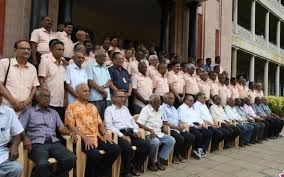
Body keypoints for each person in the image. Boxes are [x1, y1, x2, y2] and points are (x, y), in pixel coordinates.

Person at [65, 83, 120, 177]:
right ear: (77, 93)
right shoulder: (71, 107)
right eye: (84, 91)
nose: (88, 93)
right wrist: (84, 138)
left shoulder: (92, 107)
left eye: (88, 91)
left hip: (97, 136)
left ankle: (100, 172)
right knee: (94, 154)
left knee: (115, 149)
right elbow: (71, 126)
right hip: (82, 138)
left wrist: (105, 133)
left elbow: (100, 123)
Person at [19, 89, 77, 177]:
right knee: (43, 164)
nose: (47, 99)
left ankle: (54, 174)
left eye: (48, 97)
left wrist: (71, 133)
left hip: (54, 143)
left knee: (71, 158)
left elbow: (61, 128)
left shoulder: (54, 112)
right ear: (37, 98)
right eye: (44, 96)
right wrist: (25, 138)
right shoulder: (29, 111)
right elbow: (19, 128)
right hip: (37, 144)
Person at [104, 90, 150, 177]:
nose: (123, 98)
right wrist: (123, 136)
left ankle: (134, 166)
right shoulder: (109, 110)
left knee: (146, 145)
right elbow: (109, 126)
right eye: (120, 97)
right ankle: (125, 172)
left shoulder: (125, 109)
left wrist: (136, 131)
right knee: (127, 147)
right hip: (118, 134)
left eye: (124, 97)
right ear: (114, 98)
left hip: (130, 132)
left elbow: (133, 122)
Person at [136, 94, 175, 172]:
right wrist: (150, 130)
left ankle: (159, 160)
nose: (159, 103)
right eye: (157, 101)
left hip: (158, 132)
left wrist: (164, 125)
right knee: (155, 142)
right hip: (148, 133)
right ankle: (152, 162)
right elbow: (139, 123)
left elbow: (163, 120)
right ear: (151, 102)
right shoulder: (146, 109)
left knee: (171, 140)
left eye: (160, 101)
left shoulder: (161, 109)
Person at [0, 40, 39, 114]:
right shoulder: (5, 63)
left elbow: (34, 87)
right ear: (15, 50)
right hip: (7, 108)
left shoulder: (32, 68)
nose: (26, 51)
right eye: (23, 48)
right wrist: (14, 102)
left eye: (28, 49)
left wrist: (28, 101)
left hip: (25, 110)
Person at [162, 92, 195, 163]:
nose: (173, 100)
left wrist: (180, 125)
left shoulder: (173, 108)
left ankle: (181, 154)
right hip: (170, 128)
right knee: (180, 138)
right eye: (171, 98)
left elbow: (178, 119)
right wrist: (176, 127)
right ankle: (175, 156)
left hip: (177, 127)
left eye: (173, 98)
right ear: (165, 99)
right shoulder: (163, 108)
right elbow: (165, 122)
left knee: (191, 137)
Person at [38, 39, 66, 120]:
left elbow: (62, 84)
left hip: (60, 101)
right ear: (52, 50)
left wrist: (64, 98)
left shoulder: (62, 65)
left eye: (62, 50)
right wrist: (44, 97)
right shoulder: (46, 62)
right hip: (49, 101)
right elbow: (41, 80)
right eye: (58, 49)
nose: (61, 52)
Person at [0, 94, 24, 177]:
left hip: (3, 153)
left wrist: (14, 146)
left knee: (17, 168)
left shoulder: (9, 112)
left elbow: (17, 133)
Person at [87, 49, 113, 119]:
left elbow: (109, 81)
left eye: (104, 56)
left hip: (106, 97)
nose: (104, 58)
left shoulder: (105, 67)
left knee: (106, 119)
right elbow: (90, 81)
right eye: (101, 56)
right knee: (95, 119)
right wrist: (101, 90)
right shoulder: (90, 66)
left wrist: (103, 87)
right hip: (95, 97)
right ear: (96, 57)